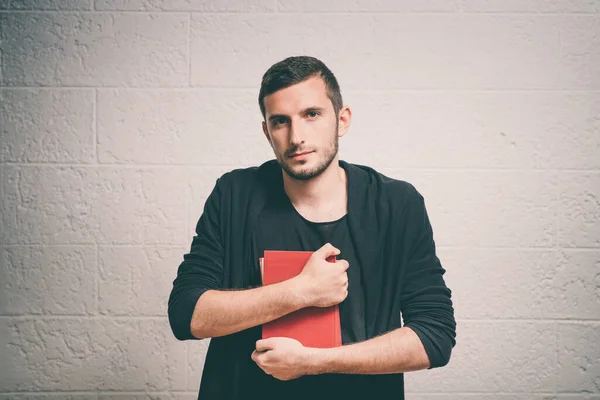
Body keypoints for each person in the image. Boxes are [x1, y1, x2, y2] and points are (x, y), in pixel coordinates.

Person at [167, 56, 456, 400]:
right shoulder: (235, 195)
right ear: (266, 132)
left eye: (311, 114)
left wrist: (314, 362)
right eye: (280, 122)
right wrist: (300, 291)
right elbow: (187, 315)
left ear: (342, 119)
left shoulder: (395, 204)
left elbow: (434, 337)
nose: (296, 137)